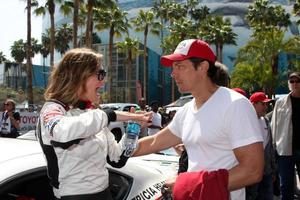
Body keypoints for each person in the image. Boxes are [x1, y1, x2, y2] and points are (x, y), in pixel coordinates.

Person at [133, 39, 264, 200]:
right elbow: (154, 142)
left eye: (180, 67)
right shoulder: (187, 110)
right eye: (173, 68)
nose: (173, 74)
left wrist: (188, 184)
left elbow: (253, 170)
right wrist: (115, 150)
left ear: (202, 67)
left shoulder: (235, 104)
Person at [37, 48, 152, 200]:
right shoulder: (53, 109)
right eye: (100, 74)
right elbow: (62, 132)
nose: (104, 81)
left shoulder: (92, 113)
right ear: (78, 76)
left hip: (105, 193)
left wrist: (133, 128)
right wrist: (110, 115)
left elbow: (117, 159)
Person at [271, 71, 300, 200]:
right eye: (292, 81)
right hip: (284, 149)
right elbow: (274, 126)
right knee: (285, 186)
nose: (295, 84)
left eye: (297, 81)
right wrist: (274, 148)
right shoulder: (280, 102)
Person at [247, 92, 276, 200]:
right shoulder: (246, 122)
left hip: (267, 172)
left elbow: (270, 147)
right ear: (253, 104)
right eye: (262, 104)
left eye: (266, 104)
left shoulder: (266, 121)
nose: (266, 107)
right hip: (252, 174)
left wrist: (273, 168)